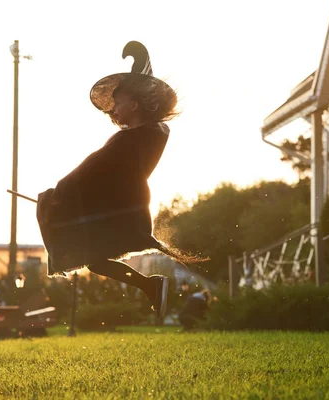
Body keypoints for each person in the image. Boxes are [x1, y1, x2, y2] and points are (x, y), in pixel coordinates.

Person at [36, 41, 204, 320]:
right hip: (123, 206)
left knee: (93, 258)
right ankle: (151, 285)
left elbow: (92, 166)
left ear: (135, 104)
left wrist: (62, 189)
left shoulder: (133, 138)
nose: (112, 109)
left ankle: (151, 285)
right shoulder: (153, 133)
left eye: (118, 103)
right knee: (95, 261)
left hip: (120, 210)